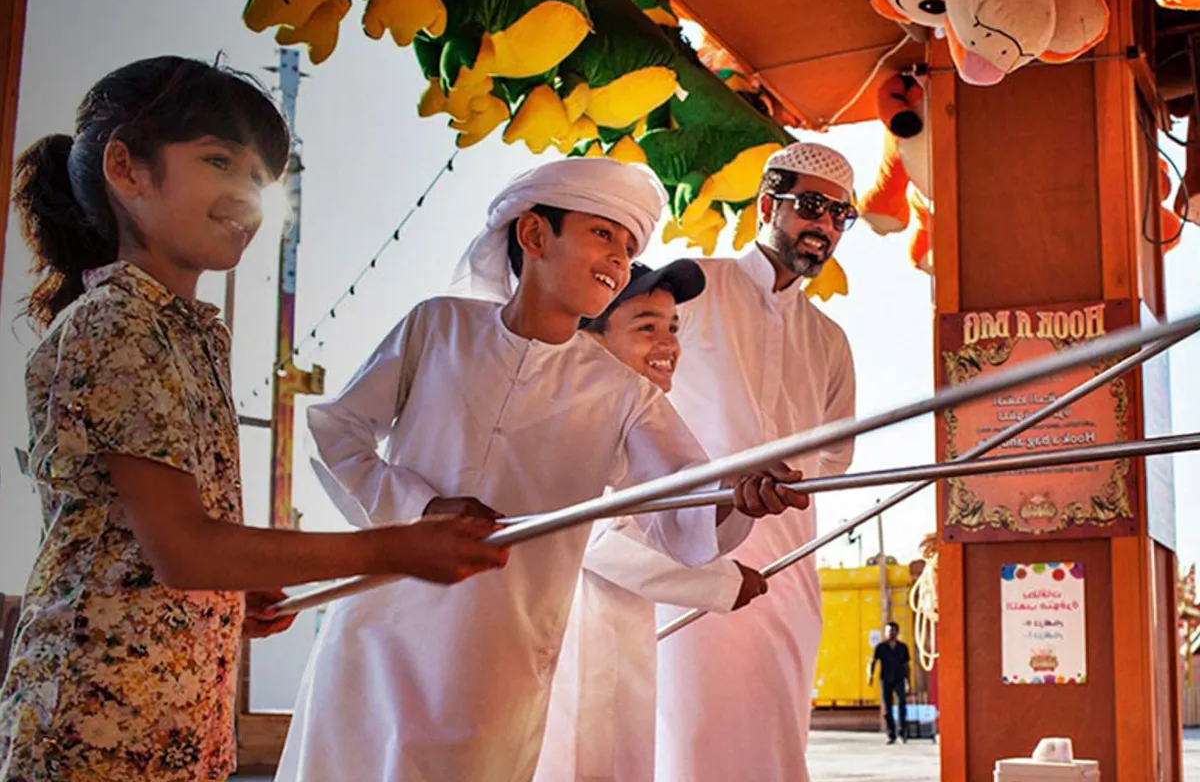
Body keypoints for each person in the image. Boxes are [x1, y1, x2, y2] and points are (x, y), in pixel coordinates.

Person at [0, 57, 508, 782]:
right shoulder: (116, 322)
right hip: (98, 724)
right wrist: (394, 549)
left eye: (258, 177)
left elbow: (161, 551)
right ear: (126, 169)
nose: (246, 194)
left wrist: (227, 597)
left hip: (174, 717)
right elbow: (185, 548)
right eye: (218, 161)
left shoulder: (186, 332)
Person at [274, 157, 807, 782]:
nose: (619, 259)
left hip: (495, 665)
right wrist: (421, 508)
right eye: (603, 234)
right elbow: (339, 434)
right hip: (375, 632)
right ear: (533, 235)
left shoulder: (623, 393)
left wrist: (738, 493)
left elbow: (681, 502)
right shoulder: (438, 327)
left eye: (629, 246)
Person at [656, 142, 859, 782]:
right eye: (812, 207)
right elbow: (632, 396)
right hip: (688, 552)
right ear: (767, 205)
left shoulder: (829, 340)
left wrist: (789, 487)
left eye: (841, 216)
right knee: (688, 731)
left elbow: (836, 455)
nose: (825, 226)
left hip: (788, 564)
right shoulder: (691, 287)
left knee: (777, 735)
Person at [533, 260, 769, 782]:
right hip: (564, 643)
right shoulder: (563, 415)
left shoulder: (651, 425)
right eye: (646, 327)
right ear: (589, 340)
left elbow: (684, 515)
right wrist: (722, 583)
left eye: (672, 328)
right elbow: (591, 536)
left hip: (622, 638)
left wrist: (739, 495)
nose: (668, 345)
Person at [869, 621, 911, 744]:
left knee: (902, 705)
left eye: (893, 631)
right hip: (885, 679)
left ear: (897, 632)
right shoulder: (881, 647)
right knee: (887, 708)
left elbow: (906, 665)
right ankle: (891, 734)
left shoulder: (903, 647)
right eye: (888, 631)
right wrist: (870, 675)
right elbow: (873, 661)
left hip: (899, 678)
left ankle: (902, 733)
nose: (890, 633)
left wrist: (908, 681)